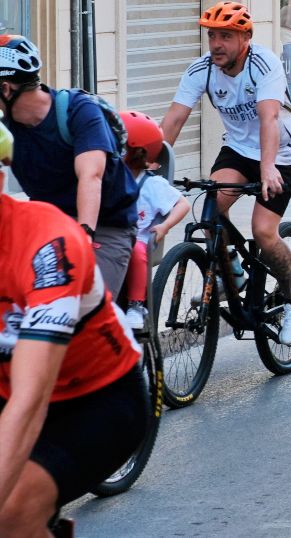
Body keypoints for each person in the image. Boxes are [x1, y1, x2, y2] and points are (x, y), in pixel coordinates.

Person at [0, 124, 148, 532]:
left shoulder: (49, 245)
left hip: (93, 401)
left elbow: (31, 400)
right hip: (8, 390)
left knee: (10, 511)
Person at [161, 1, 291, 345]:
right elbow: (173, 119)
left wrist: (269, 167)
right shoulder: (202, 70)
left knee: (263, 231)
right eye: (212, 35)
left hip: (280, 154)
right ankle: (234, 274)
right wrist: (150, 169)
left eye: (225, 36)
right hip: (239, 151)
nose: (216, 44)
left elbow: (269, 118)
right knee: (211, 204)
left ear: (245, 38)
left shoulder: (264, 65)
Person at [0, 35, 139, 295]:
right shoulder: (5, 128)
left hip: (105, 225)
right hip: (49, 222)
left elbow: (91, 176)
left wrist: (84, 236)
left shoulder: (79, 111)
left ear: (6, 89)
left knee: (83, 304)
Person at [117, 110, 189, 331]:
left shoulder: (152, 185)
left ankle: (136, 306)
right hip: (111, 238)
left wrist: (165, 226)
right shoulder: (108, 176)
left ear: (138, 152)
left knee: (136, 250)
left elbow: (182, 204)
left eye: (121, 146)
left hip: (138, 240)